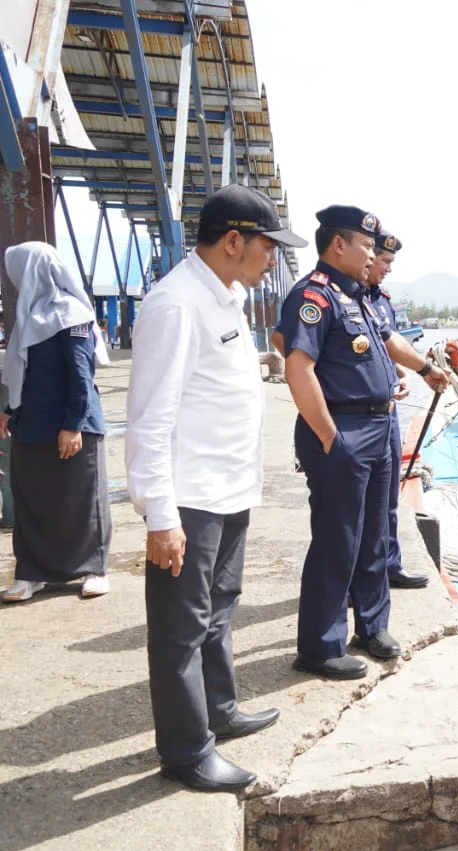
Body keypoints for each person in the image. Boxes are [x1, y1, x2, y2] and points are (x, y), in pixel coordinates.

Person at [126, 183, 307, 793]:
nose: (272, 260)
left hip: (229, 488)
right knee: (179, 630)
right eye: (267, 247)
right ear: (233, 241)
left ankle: (220, 710)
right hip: (190, 496)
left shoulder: (225, 297)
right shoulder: (176, 305)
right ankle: (187, 752)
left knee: (219, 610)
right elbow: (150, 418)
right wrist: (160, 516)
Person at [277, 205, 447, 681]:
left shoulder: (360, 297)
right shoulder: (313, 296)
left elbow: (388, 342)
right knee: (338, 540)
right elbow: (298, 368)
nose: (373, 255)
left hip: (378, 425)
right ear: (338, 245)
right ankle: (320, 646)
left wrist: (424, 368)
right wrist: (330, 438)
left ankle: (372, 627)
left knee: (374, 534)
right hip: (343, 429)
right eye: (367, 246)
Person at [0, 242, 112, 603]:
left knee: (82, 502)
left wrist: (74, 424)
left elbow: (81, 374)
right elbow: (24, 372)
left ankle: (94, 569)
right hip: (31, 424)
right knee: (32, 501)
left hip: (73, 424)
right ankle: (31, 573)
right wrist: (9, 409)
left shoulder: (72, 313)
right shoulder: (29, 316)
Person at [365, 229, 429, 589]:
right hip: (358, 416)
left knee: (388, 496)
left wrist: (400, 373)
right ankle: (359, 578)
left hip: (387, 411)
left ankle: (390, 565)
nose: (388, 269)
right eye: (384, 261)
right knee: (358, 506)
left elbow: (385, 345)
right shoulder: (347, 298)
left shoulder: (382, 299)